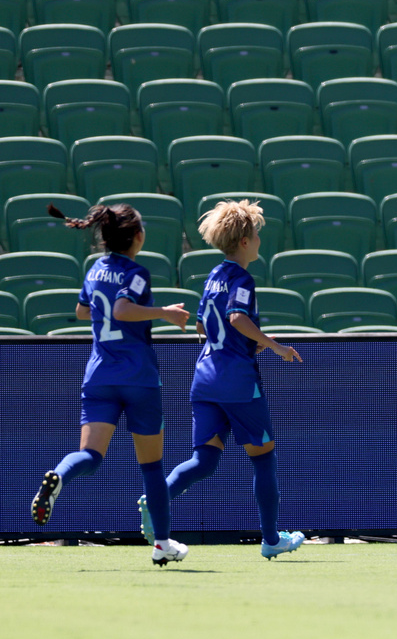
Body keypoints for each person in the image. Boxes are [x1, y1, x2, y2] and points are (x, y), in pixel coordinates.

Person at [139, 200, 304, 560]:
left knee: (204, 461)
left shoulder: (214, 275)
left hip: (204, 378)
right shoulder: (241, 278)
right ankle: (271, 539)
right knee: (264, 459)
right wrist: (274, 346)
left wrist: (244, 345)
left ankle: (158, 498)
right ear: (244, 241)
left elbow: (202, 325)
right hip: (237, 382)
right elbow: (236, 318)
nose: (260, 240)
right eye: (257, 234)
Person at [31, 203, 191, 566]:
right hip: (138, 378)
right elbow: (121, 310)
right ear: (137, 237)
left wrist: (111, 311)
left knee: (89, 456)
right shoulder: (137, 273)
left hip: (100, 375)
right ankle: (162, 542)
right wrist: (164, 313)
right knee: (151, 467)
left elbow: (83, 311)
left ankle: (59, 474)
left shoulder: (95, 269)